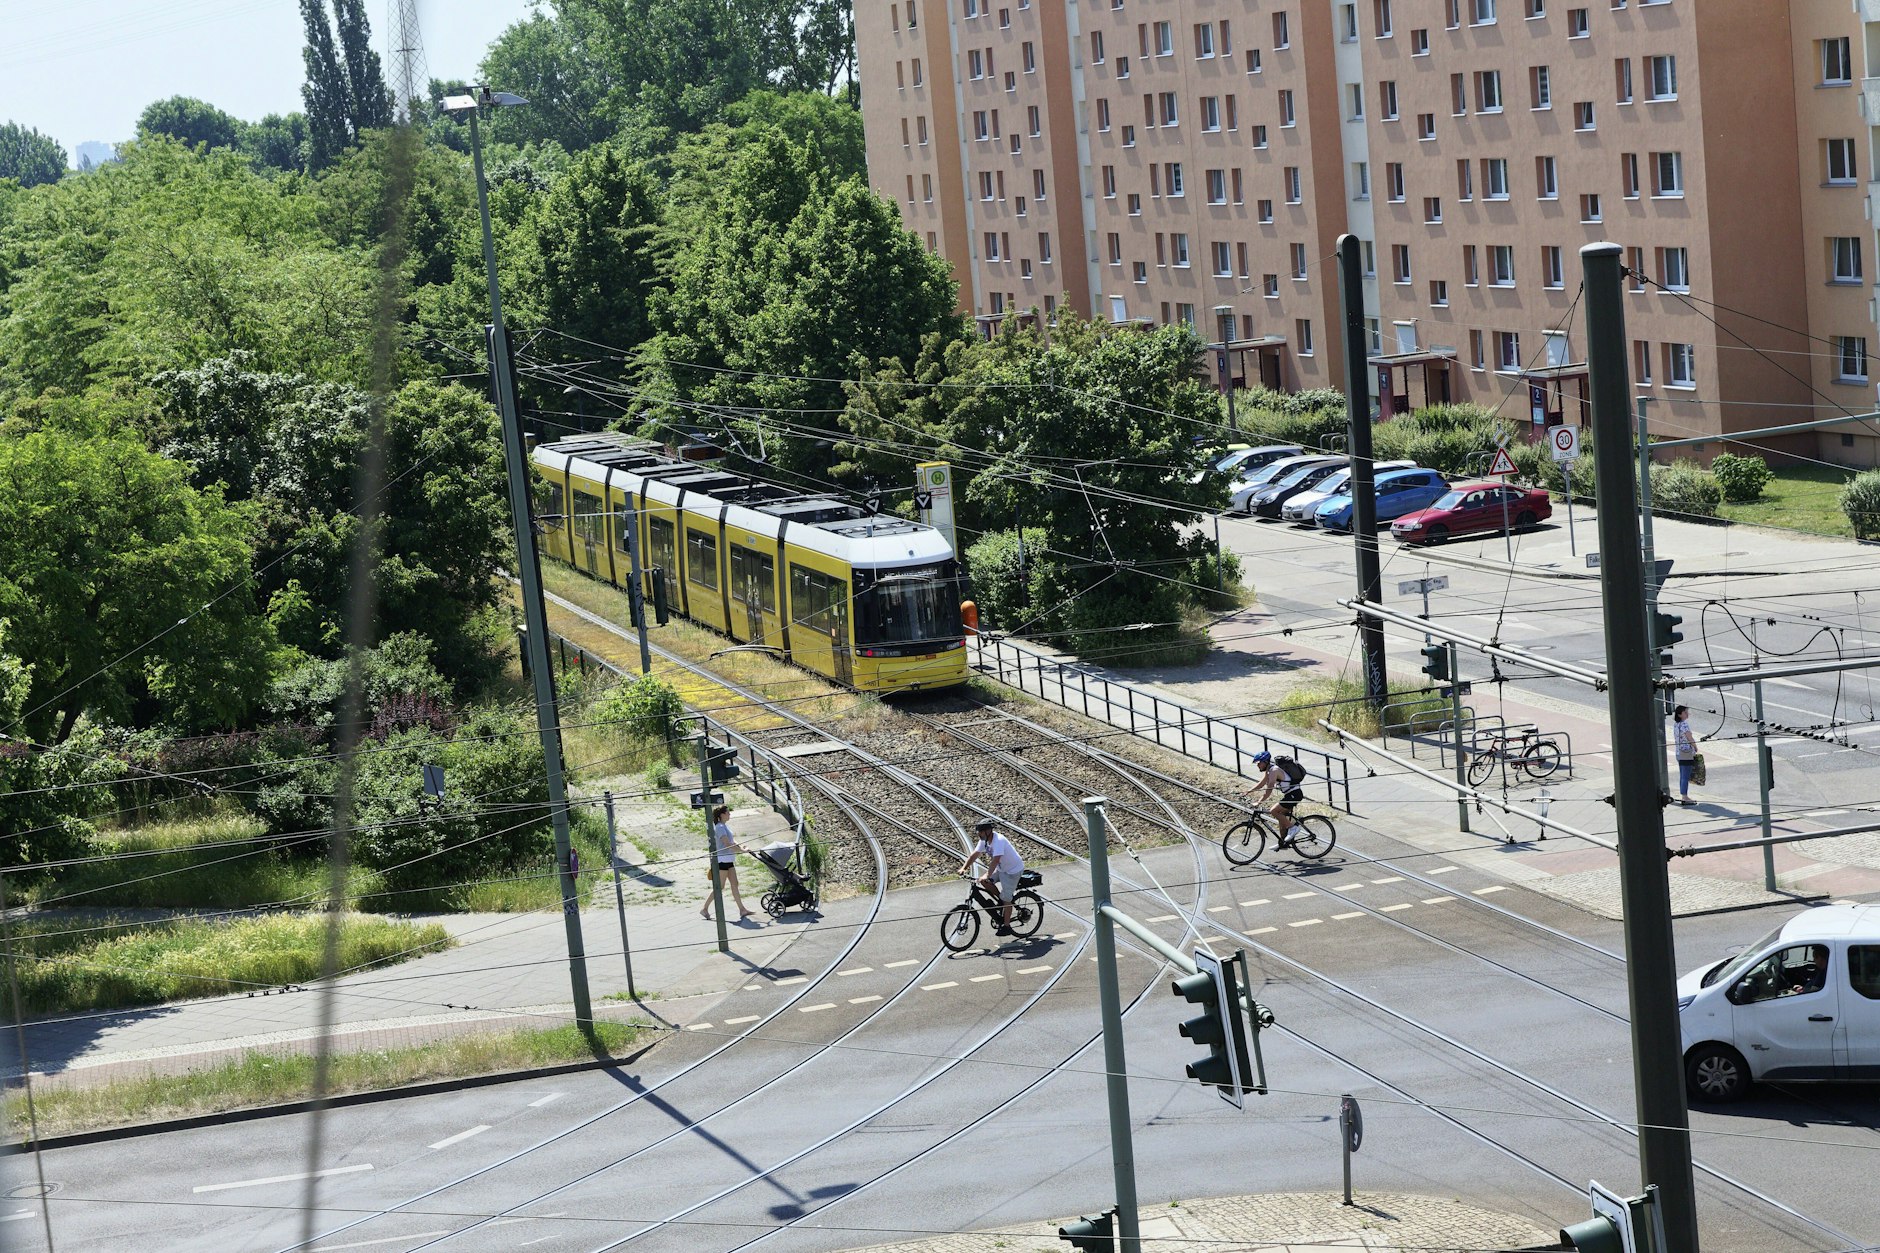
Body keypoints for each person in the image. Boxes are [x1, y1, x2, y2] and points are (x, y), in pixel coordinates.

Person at [959, 817, 1024, 935]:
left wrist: (987, 875)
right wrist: (964, 868)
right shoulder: (984, 840)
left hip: (1012, 871)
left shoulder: (998, 841)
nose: (979, 834)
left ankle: (1007, 926)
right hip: (1001, 869)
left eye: (981, 831)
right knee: (984, 882)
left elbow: (995, 860)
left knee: (1006, 899)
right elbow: (975, 855)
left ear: (988, 831)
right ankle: (1001, 900)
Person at [702, 804, 755, 922]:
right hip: (722, 860)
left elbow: (732, 841)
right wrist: (741, 850)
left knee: (735, 883)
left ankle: (742, 909)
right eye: (727, 812)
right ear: (721, 815)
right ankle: (705, 908)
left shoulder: (724, 826)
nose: (729, 814)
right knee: (719, 887)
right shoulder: (720, 827)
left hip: (729, 859)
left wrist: (741, 847)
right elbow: (727, 844)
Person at [1247, 749, 1308, 847]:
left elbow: (1269, 789)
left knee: (1273, 811)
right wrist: (1249, 791)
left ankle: (1293, 828)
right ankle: (1283, 842)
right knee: (1281, 817)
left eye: (1258, 763)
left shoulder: (1274, 770)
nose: (1257, 765)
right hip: (1290, 795)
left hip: (1294, 795)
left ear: (1265, 762)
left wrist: (1259, 802)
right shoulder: (1269, 771)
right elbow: (1262, 784)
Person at [1673, 705, 1698, 805]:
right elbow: (1689, 737)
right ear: (1680, 714)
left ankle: (1683, 794)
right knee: (1685, 776)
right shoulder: (1684, 724)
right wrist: (1695, 747)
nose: (1687, 714)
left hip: (1679, 752)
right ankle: (1685, 796)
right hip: (1686, 753)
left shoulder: (1676, 724)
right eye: (1685, 712)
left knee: (1682, 775)